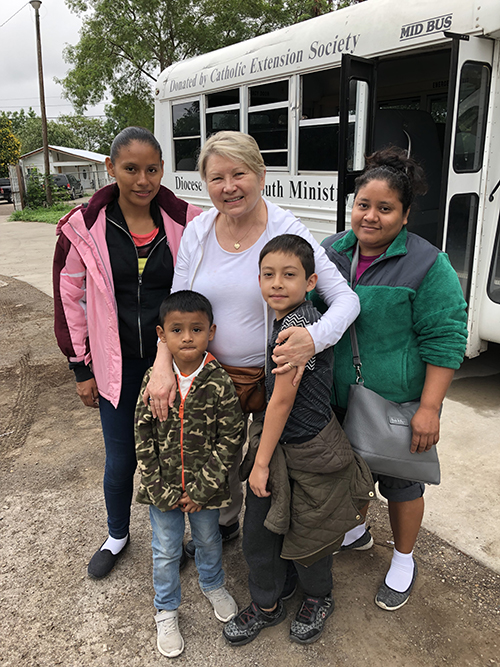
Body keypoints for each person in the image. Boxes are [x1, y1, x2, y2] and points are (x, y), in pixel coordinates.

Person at [145, 131, 361, 556]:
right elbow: (176, 308)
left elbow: (346, 300)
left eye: (239, 173)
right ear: (204, 183)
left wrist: (312, 339)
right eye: (216, 177)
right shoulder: (199, 231)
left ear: (261, 174)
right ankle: (223, 527)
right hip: (208, 376)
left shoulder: (285, 229)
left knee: (266, 461)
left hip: (269, 378)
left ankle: (279, 547)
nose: (229, 187)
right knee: (213, 457)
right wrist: (162, 365)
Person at [318, 147, 468, 611]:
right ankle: (358, 531)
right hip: (335, 397)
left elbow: (446, 339)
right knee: (348, 473)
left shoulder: (428, 264)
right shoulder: (330, 252)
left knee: (401, 484)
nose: (371, 216)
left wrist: (429, 409)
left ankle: (403, 559)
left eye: (386, 209)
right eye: (364, 204)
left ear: (404, 216)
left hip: (395, 403)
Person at [53, 127, 202, 579]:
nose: (143, 180)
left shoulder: (189, 222)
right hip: (115, 364)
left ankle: (182, 538)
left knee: (178, 453)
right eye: (131, 168)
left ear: (163, 170)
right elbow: (69, 300)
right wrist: (81, 366)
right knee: (122, 459)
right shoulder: (82, 228)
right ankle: (117, 534)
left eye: (152, 169)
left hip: (177, 361)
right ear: (110, 168)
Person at [223, 234, 374, 646]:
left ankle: (317, 596)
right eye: (268, 275)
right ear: (258, 280)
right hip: (279, 445)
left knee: (311, 533)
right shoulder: (285, 320)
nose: (276, 283)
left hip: (308, 448)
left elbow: (282, 401)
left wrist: (259, 462)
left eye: (289, 275)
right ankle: (267, 602)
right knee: (259, 528)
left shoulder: (297, 328)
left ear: (310, 282)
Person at [135, 290, 244, 658]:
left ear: (210, 331)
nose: (186, 337)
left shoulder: (218, 381)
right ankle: (166, 609)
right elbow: (142, 432)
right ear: (161, 336)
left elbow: (231, 437)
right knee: (165, 550)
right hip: (162, 491)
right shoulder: (155, 380)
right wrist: (158, 487)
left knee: (209, 540)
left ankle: (212, 585)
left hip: (206, 493)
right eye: (177, 330)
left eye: (196, 329)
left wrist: (202, 489)